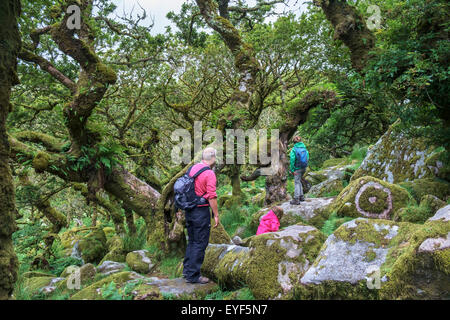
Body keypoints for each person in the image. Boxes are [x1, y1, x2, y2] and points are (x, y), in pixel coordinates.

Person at [183, 147, 220, 284]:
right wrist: (216, 214)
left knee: (192, 240)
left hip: (189, 210)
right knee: (200, 242)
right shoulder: (209, 173)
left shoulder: (192, 168)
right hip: (201, 212)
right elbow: (212, 196)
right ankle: (193, 276)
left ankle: (187, 271)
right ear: (213, 158)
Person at [289, 136, 309, 205]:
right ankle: (301, 197)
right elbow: (307, 157)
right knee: (299, 181)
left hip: (297, 168)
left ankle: (296, 199)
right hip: (304, 168)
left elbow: (292, 160)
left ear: (294, 142)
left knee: (296, 182)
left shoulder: (294, 149)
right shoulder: (304, 148)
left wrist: (292, 169)